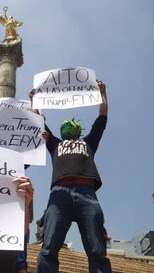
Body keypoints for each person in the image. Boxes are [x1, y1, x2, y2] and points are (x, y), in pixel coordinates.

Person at [33, 80, 112, 272]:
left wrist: (102, 94)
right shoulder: (54, 143)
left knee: (97, 250)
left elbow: (101, 118)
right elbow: (38, 120)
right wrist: (35, 99)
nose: (68, 127)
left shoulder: (89, 142)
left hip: (87, 195)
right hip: (59, 194)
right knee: (48, 247)